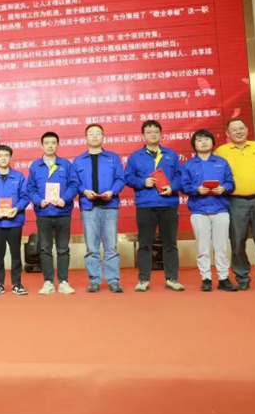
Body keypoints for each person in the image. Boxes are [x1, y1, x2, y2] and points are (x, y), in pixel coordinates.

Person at [215, 118, 255, 290]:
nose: (238, 132)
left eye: (241, 128)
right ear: (227, 133)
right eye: (234, 129)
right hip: (235, 201)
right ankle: (242, 277)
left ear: (247, 129)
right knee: (237, 241)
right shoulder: (221, 151)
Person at [124, 120, 184, 292]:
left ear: (161, 134)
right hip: (146, 205)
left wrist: (172, 187)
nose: (153, 134)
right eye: (149, 132)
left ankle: (172, 278)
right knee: (145, 243)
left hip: (168, 204)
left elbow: (180, 176)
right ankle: (143, 279)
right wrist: (143, 182)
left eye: (156, 131)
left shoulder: (171, 155)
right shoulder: (135, 157)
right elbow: (128, 178)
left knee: (170, 243)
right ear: (143, 135)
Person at [69, 124, 125, 293]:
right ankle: (94, 279)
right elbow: (74, 182)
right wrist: (85, 191)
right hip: (89, 207)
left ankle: (113, 280)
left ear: (103, 136)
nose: (94, 136)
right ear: (86, 137)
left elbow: (120, 179)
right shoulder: (79, 160)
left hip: (110, 206)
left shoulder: (113, 157)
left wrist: (112, 191)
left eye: (98, 133)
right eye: (91, 133)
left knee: (111, 245)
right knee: (91, 247)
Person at [181, 129, 237, 291]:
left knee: (222, 247)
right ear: (194, 145)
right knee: (202, 247)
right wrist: (196, 189)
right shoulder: (189, 165)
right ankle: (206, 278)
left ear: (212, 143)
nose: (203, 142)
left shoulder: (222, 162)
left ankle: (223, 278)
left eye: (207, 139)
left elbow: (231, 182)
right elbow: (184, 186)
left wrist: (223, 188)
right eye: (199, 140)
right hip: (199, 211)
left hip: (220, 209)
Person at [26, 132, 77, 295]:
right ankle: (48, 282)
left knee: (63, 248)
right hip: (43, 213)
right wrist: (39, 200)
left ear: (58, 145)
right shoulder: (35, 166)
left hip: (63, 212)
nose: (50, 146)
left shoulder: (66, 164)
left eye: (53, 143)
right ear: (41, 146)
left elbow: (73, 185)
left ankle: (63, 282)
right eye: (47, 143)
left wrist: (64, 199)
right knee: (45, 248)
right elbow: (30, 188)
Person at [0, 144, 30, 296]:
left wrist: (17, 208)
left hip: (15, 221)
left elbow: (25, 196)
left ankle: (17, 283)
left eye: (6, 155)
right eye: (0, 156)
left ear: (11, 158)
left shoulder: (19, 177)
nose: (3, 158)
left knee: (16, 254)